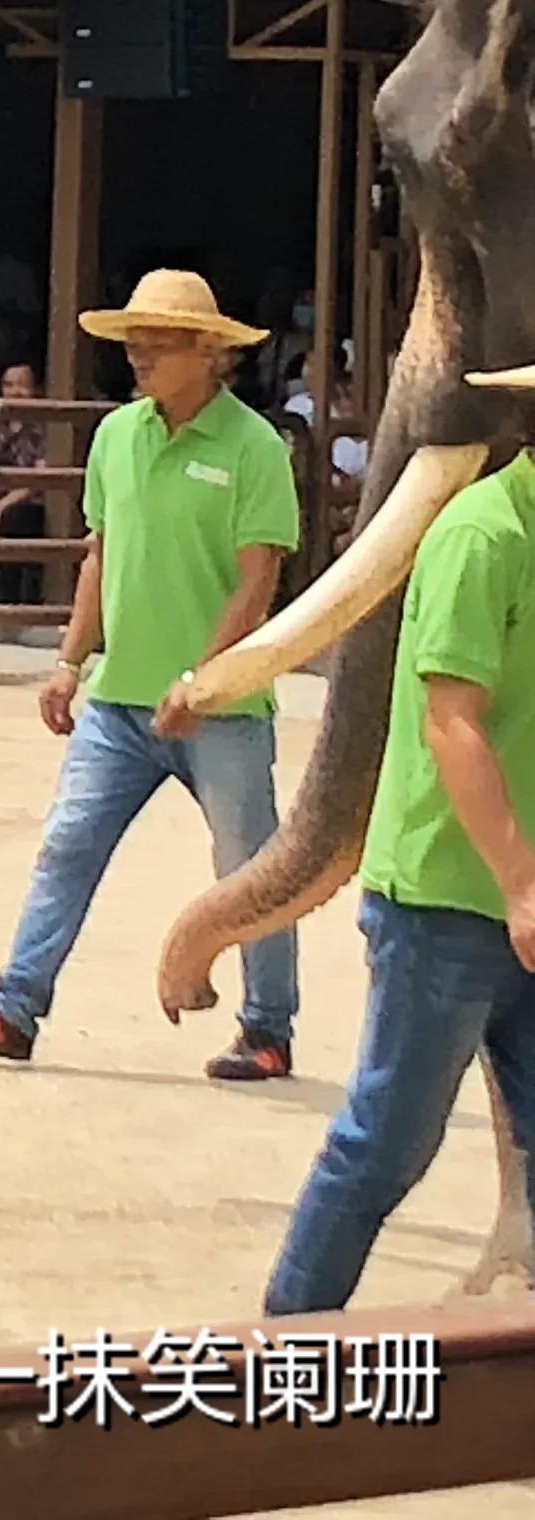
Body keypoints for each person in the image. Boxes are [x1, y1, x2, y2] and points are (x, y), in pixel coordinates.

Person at [0, 271, 302, 1081]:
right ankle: (13, 1008)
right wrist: (68, 662)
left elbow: (258, 577)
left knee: (249, 867)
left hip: (223, 706)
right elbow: (101, 557)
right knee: (67, 846)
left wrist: (205, 678)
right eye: (134, 339)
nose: (138, 354)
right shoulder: (116, 437)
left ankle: (268, 1028)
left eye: (157, 341)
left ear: (208, 352)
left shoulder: (255, 448)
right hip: (121, 698)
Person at [260, 333, 535, 1311]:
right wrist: (520, 883)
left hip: (516, 893)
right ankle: (284, 1349)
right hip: (450, 898)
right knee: (389, 1142)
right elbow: (452, 720)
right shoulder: (485, 538)